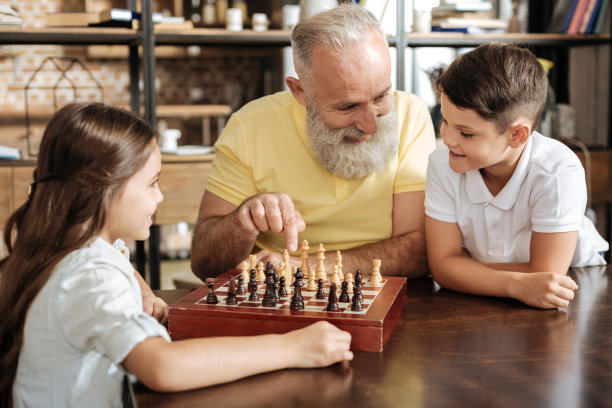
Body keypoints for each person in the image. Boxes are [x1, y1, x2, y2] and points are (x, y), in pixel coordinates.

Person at [0, 102, 353, 407]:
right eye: (152, 183)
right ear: (105, 188)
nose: (160, 197)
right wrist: (293, 349)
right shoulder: (89, 272)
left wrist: (140, 291)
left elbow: (116, 261)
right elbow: (164, 368)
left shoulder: (64, 245)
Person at [191, 4, 436, 279]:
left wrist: (309, 267)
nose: (371, 125)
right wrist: (242, 220)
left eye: (381, 97)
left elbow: (419, 250)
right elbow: (204, 263)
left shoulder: (412, 114)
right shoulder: (250, 125)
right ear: (300, 91)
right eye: (347, 107)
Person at [425, 43, 609, 309]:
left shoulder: (557, 171)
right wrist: (513, 282)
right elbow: (442, 268)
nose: (448, 139)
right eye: (444, 121)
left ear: (517, 135)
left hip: (578, 288)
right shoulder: (442, 163)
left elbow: (547, 276)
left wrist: (465, 267)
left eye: (466, 133)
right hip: (494, 298)